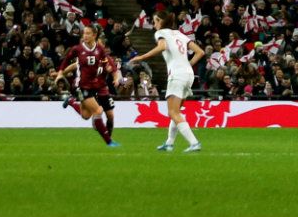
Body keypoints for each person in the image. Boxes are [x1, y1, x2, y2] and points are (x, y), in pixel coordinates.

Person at [126, 9, 205, 153]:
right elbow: (200, 52)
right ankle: (169, 143)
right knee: (176, 111)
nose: (154, 24)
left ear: (160, 21)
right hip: (188, 74)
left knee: (173, 112)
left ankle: (194, 143)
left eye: (155, 21)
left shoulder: (161, 33)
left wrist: (141, 57)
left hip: (177, 75)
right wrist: (188, 65)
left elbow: (162, 46)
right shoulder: (179, 34)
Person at [51, 23, 119, 147]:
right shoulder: (78, 49)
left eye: (88, 33)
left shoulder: (100, 50)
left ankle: (71, 102)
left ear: (94, 35)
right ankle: (109, 142)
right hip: (80, 86)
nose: (85, 36)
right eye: (84, 33)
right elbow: (67, 61)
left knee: (86, 116)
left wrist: (109, 69)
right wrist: (60, 73)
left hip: (94, 87)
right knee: (98, 110)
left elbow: (106, 62)